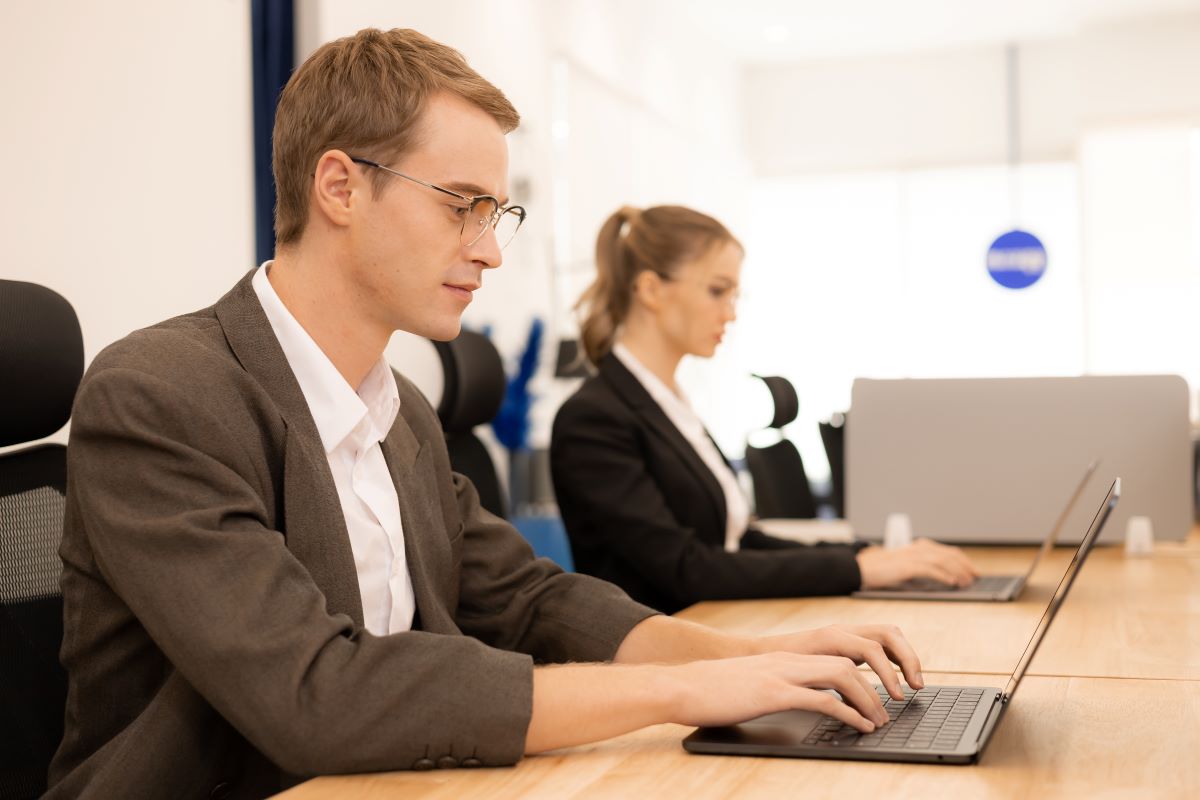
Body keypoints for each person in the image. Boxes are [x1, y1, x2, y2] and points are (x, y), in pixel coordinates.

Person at [48, 30, 927, 799]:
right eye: (461, 204)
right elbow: (316, 693)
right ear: (340, 188)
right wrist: (684, 693)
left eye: (496, 212)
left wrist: (746, 659)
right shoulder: (162, 396)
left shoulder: (403, 414)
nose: (490, 249)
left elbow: (528, 597)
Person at [551, 205, 980, 614]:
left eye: (735, 295)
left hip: (715, 627)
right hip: (662, 655)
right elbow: (685, 569)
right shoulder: (594, 419)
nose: (731, 313)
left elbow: (739, 542)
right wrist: (859, 568)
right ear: (650, 290)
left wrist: (868, 557)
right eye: (718, 291)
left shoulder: (670, 405)